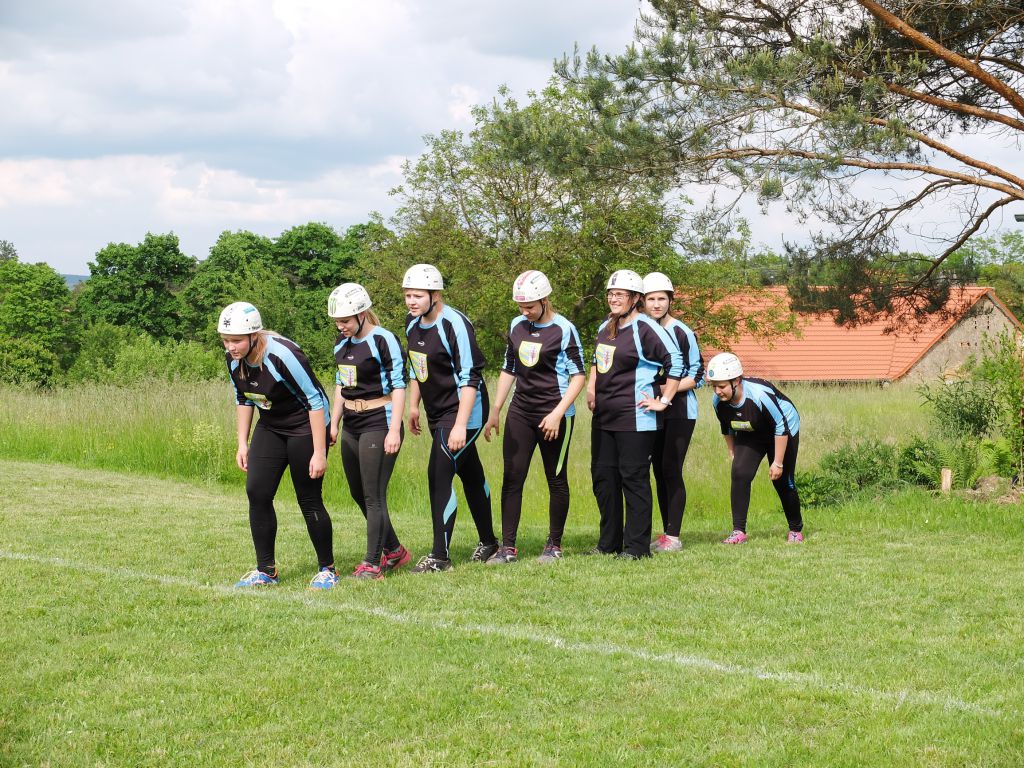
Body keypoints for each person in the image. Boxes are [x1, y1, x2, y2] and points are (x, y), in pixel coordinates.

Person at [218, 301, 338, 589]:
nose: (231, 347)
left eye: (236, 340)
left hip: (305, 425)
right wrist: (242, 443)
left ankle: (328, 570)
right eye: (226, 340)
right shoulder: (233, 359)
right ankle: (266, 572)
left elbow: (315, 401)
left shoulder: (283, 354)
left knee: (308, 498)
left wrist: (319, 452)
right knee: (257, 492)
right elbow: (243, 398)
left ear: (253, 335)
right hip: (271, 425)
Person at [482, 270, 586, 564]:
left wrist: (557, 414)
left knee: (556, 479)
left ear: (544, 300)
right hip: (521, 411)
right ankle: (508, 548)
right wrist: (496, 410)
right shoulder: (517, 325)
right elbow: (509, 368)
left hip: (555, 413)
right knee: (512, 477)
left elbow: (579, 376)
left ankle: (554, 545)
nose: (524, 311)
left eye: (529, 306)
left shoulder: (564, 329)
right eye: (520, 306)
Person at [402, 264, 499, 572]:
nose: (411, 301)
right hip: (437, 411)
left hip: (465, 412)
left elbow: (470, 377)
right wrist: (414, 406)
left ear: (435, 295)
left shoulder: (455, 324)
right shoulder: (412, 323)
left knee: (438, 473)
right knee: (470, 474)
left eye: (418, 295)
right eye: (408, 295)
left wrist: (460, 425)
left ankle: (439, 557)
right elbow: (417, 367)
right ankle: (489, 542)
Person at [587, 269, 684, 559]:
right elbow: (597, 361)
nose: (614, 299)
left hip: (636, 418)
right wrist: (591, 388)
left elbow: (676, 361)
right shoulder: (605, 327)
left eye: (620, 295)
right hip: (604, 417)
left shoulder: (646, 328)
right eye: (611, 294)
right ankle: (608, 544)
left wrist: (664, 400)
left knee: (634, 480)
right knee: (604, 480)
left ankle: (636, 547)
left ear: (635, 298)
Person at [327, 283, 411, 580]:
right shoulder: (341, 343)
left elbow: (399, 386)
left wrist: (394, 430)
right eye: (337, 321)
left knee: (374, 495)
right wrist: (334, 423)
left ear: (362, 314)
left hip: (380, 421)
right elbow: (341, 384)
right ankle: (395, 550)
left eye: (345, 321)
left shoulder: (383, 339)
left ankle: (372, 564)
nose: (341, 326)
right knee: (357, 491)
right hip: (352, 423)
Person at [706, 352, 805, 544]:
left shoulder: (759, 395)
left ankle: (795, 528)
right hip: (753, 430)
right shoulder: (718, 401)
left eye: (722, 386)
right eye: (714, 386)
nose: (717, 391)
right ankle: (738, 531)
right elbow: (726, 426)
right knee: (739, 473)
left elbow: (781, 426)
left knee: (782, 481)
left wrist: (777, 462)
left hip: (783, 428)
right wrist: (732, 451)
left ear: (736, 381)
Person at [642, 272, 704, 553]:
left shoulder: (681, 332)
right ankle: (666, 533)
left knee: (671, 469)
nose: (656, 304)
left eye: (661, 299)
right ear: (642, 301)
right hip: (652, 410)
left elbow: (698, 375)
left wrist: (666, 391)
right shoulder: (642, 329)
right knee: (658, 469)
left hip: (680, 411)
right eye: (651, 299)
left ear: (670, 301)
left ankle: (675, 536)